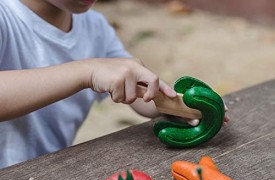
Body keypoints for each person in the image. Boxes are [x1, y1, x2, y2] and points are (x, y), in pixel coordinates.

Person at [0, 0, 228, 169]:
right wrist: (86, 71)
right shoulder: (5, 17)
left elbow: (136, 88)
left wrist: (176, 104)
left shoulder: (95, 27)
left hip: (45, 175)